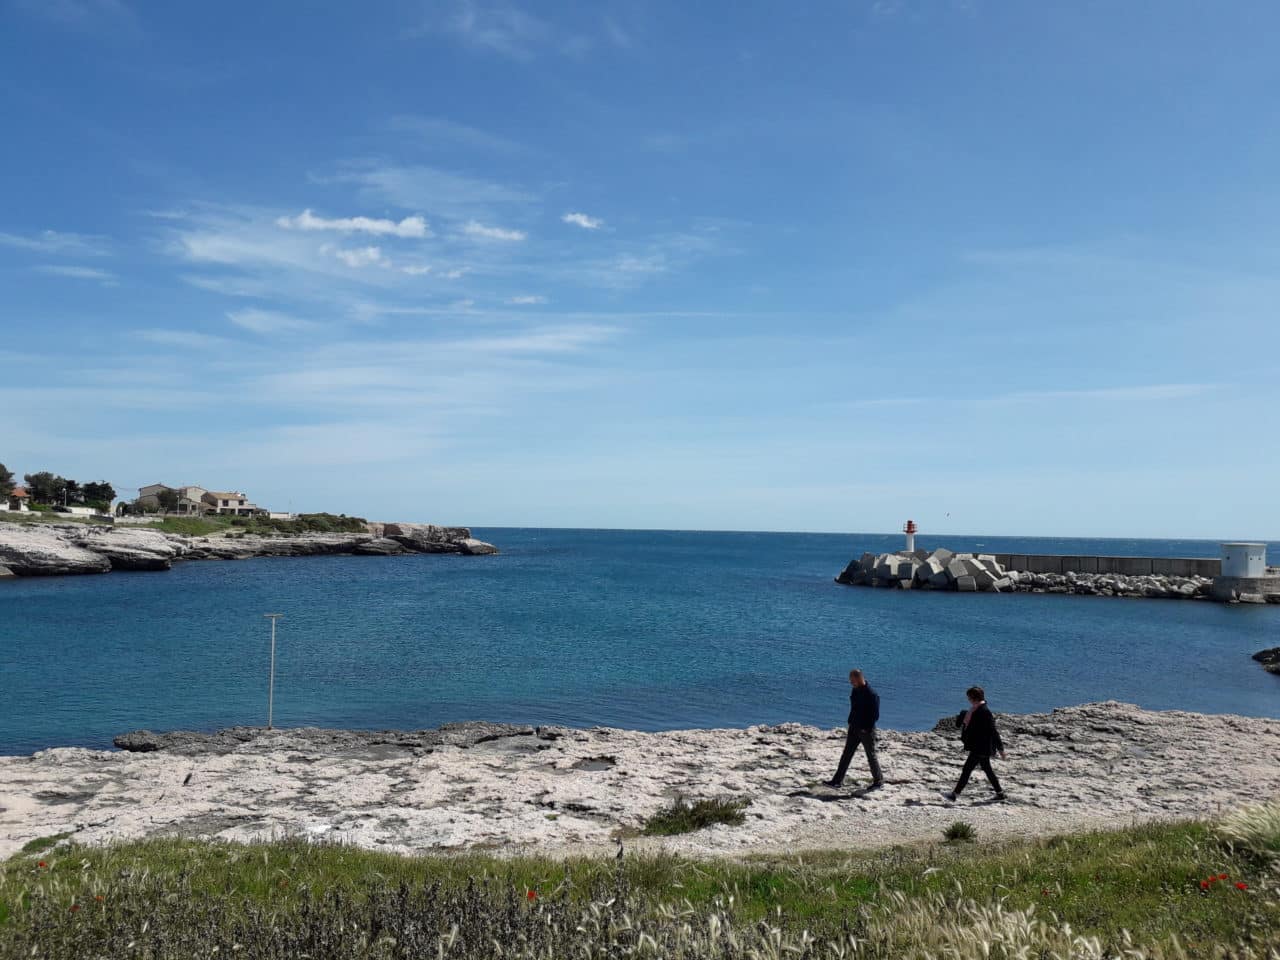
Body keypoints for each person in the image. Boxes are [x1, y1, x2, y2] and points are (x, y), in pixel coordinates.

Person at [941, 685, 1006, 802]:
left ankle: (954, 795)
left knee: (967, 770)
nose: (968, 699)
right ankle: (1000, 794)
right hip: (980, 747)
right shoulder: (975, 710)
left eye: (969, 697)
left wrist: (1000, 749)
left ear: (974, 697)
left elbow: (993, 731)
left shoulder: (984, 711)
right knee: (987, 770)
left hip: (981, 747)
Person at [826, 668, 883, 788]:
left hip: (866, 731)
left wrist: (865, 728)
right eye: (850, 681)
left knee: (871, 756)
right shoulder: (855, 690)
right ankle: (837, 781)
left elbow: (875, 716)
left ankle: (878, 781)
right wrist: (850, 722)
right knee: (846, 755)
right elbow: (854, 708)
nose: (851, 683)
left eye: (853, 681)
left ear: (860, 678)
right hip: (853, 728)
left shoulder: (872, 694)